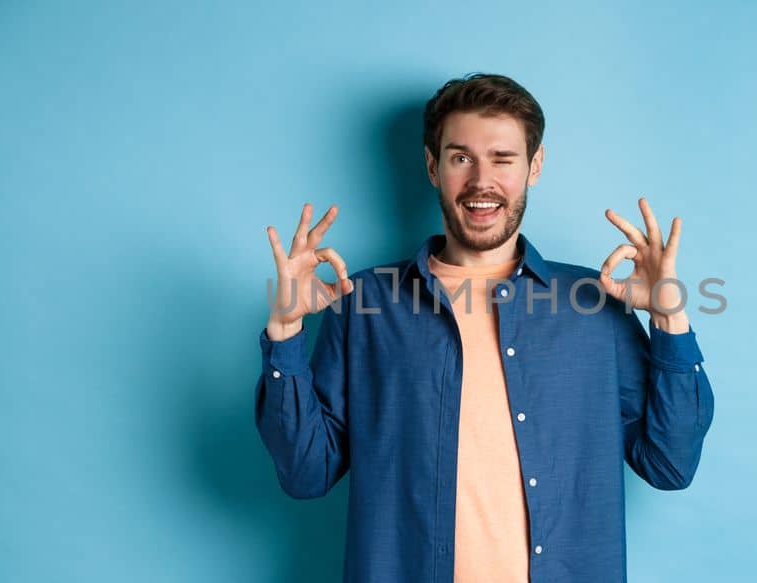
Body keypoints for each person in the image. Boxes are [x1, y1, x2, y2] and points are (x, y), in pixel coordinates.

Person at [255, 73, 715, 582]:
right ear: (433, 167)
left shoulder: (595, 306)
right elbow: (305, 473)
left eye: (503, 158)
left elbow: (670, 465)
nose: (481, 181)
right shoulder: (361, 303)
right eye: (460, 158)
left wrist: (670, 319)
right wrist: (285, 334)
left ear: (533, 166)